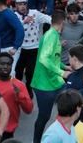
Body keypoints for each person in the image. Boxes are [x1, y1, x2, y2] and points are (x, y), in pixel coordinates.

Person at [32, 10, 71, 143]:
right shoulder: (51, 36)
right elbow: (44, 59)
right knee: (44, 117)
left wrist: (65, 67)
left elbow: (53, 59)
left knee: (70, 105)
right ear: (63, 22)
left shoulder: (53, 35)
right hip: (43, 85)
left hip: (55, 82)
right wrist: (61, 72)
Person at [0, 53, 34, 139]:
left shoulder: (19, 85)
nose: (5, 66)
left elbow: (28, 110)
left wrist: (19, 95)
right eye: (2, 64)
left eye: (8, 64)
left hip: (7, 130)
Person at [14, 0, 51, 92]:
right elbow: (13, 29)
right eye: (20, 4)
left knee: (30, 72)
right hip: (20, 49)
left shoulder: (34, 13)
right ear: (16, 5)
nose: (22, 6)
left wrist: (56, 22)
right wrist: (23, 22)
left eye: (24, 4)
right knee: (18, 72)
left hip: (33, 48)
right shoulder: (14, 16)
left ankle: (28, 90)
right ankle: (18, 91)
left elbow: (47, 18)